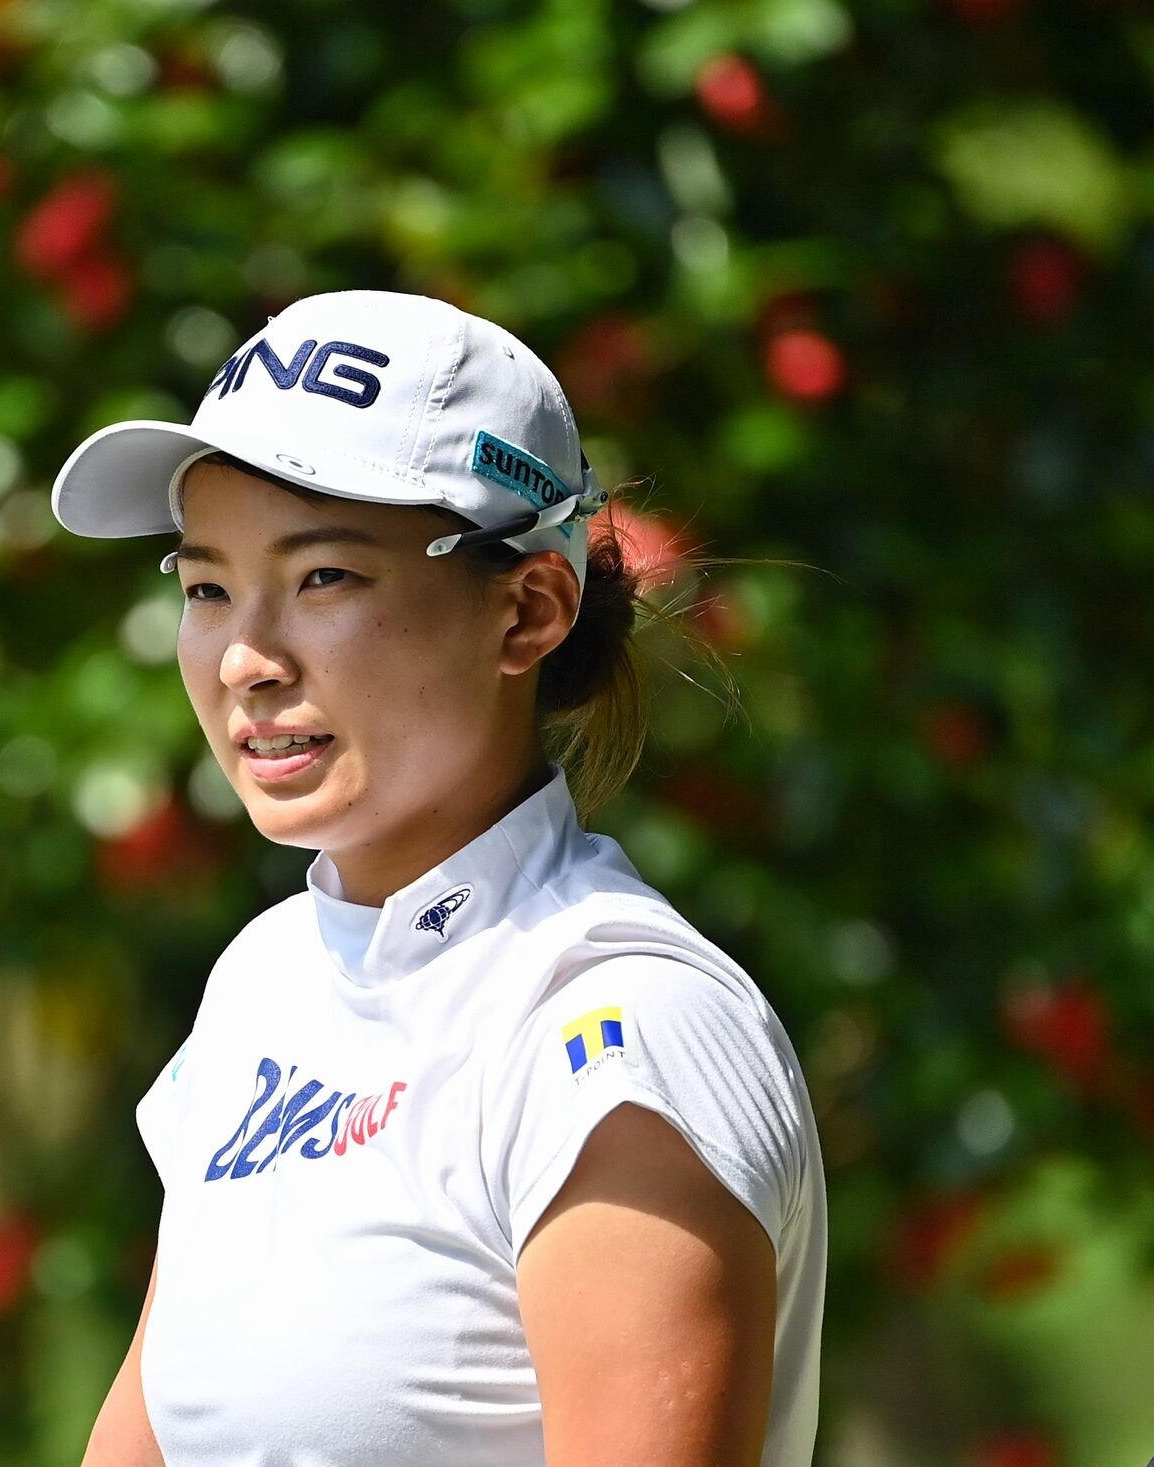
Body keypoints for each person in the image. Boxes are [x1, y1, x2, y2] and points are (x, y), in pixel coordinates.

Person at [49, 289, 826, 1467]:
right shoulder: (265, 982)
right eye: (205, 588)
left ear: (526, 611)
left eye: (323, 578)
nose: (246, 660)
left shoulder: (616, 1031)